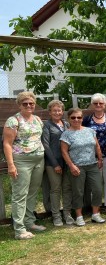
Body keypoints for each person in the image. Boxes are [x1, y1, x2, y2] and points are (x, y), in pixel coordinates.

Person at [3, 92, 45, 239]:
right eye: (25, 103)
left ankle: (29, 222)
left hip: (39, 159)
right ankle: (19, 229)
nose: (28, 106)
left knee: (32, 193)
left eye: (31, 103)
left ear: (34, 104)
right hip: (21, 161)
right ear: (19, 105)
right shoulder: (13, 121)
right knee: (20, 194)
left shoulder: (38, 119)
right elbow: (7, 144)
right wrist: (11, 165)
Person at [60, 108, 106, 226]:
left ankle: (95, 214)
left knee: (97, 189)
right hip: (77, 167)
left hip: (92, 164)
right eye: (73, 117)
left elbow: (96, 146)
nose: (76, 120)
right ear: (69, 119)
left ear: (82, 118)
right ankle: (79, 216)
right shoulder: (66, 134)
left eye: (79, 117)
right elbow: (64, 152)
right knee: (78, 192)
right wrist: (71, 166)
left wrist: (100, 159)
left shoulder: (90, 131)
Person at [82, 93, 106, 216]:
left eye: (100, 103)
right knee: (95, 183)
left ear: (104, 105)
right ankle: (95, 205)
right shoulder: (86, 120)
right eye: (95, 103)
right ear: (92, 104)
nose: (98, 105)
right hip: (92, 156)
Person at [41, 100, 73, 227]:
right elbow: (46, 145)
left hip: (67, 162)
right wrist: (55, 164)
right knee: (55, 189)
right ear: (50, 112)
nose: (57, 112)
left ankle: (67, 214)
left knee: (67, 189)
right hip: (53, 163)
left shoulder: (66, 124)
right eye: (54, 110)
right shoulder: (47, 126)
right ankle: (56, 216)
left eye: (59, 110)